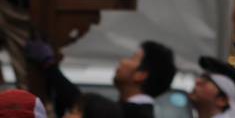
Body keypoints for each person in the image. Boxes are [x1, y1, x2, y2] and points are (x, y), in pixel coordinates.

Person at [26, 39, 175, 118]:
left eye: (132, 58)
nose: (123, 61)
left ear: (140, 75)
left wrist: (49, 65)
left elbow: (84, 102)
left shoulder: (136, 114)